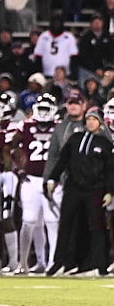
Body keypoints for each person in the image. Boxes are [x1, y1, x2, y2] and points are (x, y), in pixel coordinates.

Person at [46, 107, 113, 277]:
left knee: (96, 226)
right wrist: (52, 178)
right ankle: (61, 262)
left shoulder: (105, 144)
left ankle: (98, 264)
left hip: (95, 189)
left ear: (100, 122)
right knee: (66, 224)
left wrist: (109, 191)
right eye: (88, 119)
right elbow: (62, 160)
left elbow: (110, 170)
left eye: (94, 119)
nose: (90, 122)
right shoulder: (75, 139)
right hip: (73, 187)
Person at [9, 94, 59, 274]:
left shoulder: (59, 127)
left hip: (52, 180)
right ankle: (24, 262)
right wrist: (18, 168)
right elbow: (10, 148)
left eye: (47, 109)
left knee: (51, 221)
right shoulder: (25, 126)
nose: (44, 113)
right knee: (30, 220)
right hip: (31, 179)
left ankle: (53, 262)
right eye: (42, 108)